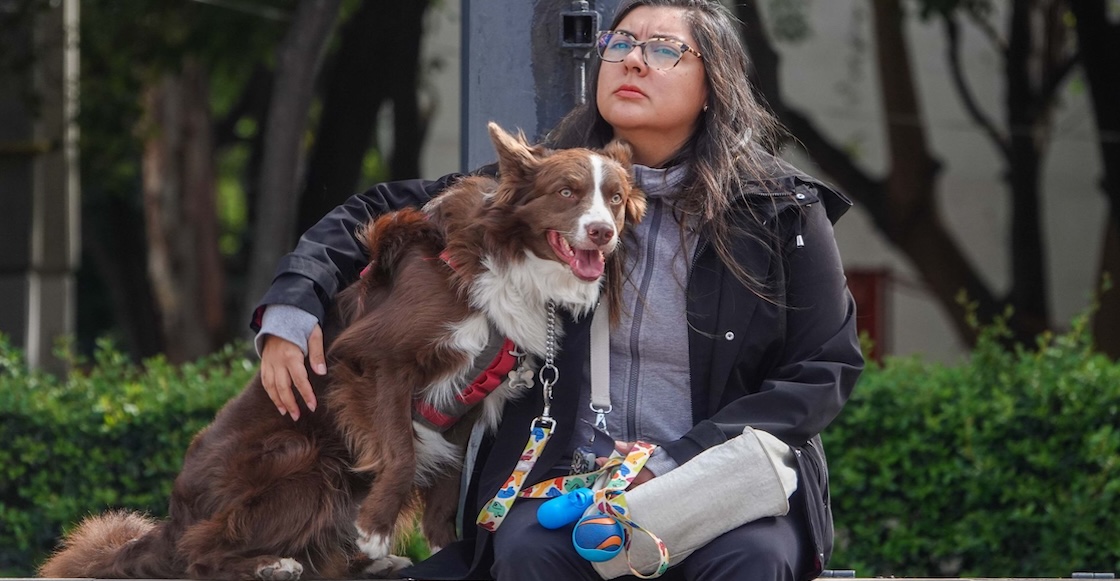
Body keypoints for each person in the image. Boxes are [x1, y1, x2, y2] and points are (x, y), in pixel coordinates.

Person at [252, 0, 863, 579]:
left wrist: (679, 459)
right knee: (527, 555)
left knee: (750, 561)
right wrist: (292, 303)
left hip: (718, 481)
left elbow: (824, 370)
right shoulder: (544, 182)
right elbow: (382, 209)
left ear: (714, 85)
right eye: (619, 42)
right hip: (561, 486)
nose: (631, 59)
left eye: (663, 49)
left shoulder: (781, 212)